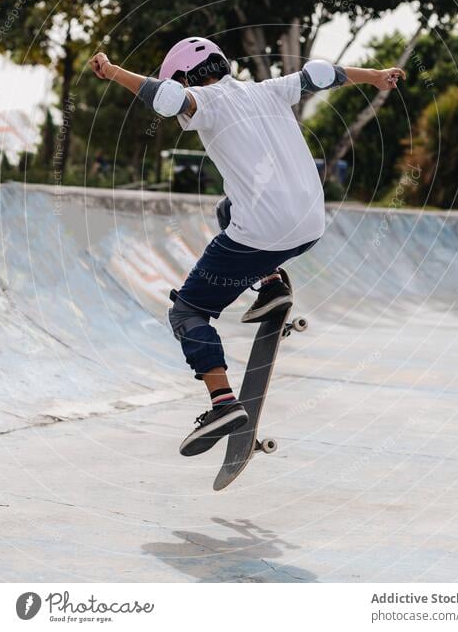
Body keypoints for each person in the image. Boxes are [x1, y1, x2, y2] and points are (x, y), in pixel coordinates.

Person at [89, 38, 405, 456]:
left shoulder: (204, 99)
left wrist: (112, 71)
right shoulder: (267, 89)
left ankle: (221, 404)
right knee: (227, 207)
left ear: (186, 76)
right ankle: (272, 286)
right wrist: (377, 78)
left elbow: (166, 99)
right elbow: (322, 74)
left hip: (260, 234)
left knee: (188, 311)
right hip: (311, 225)